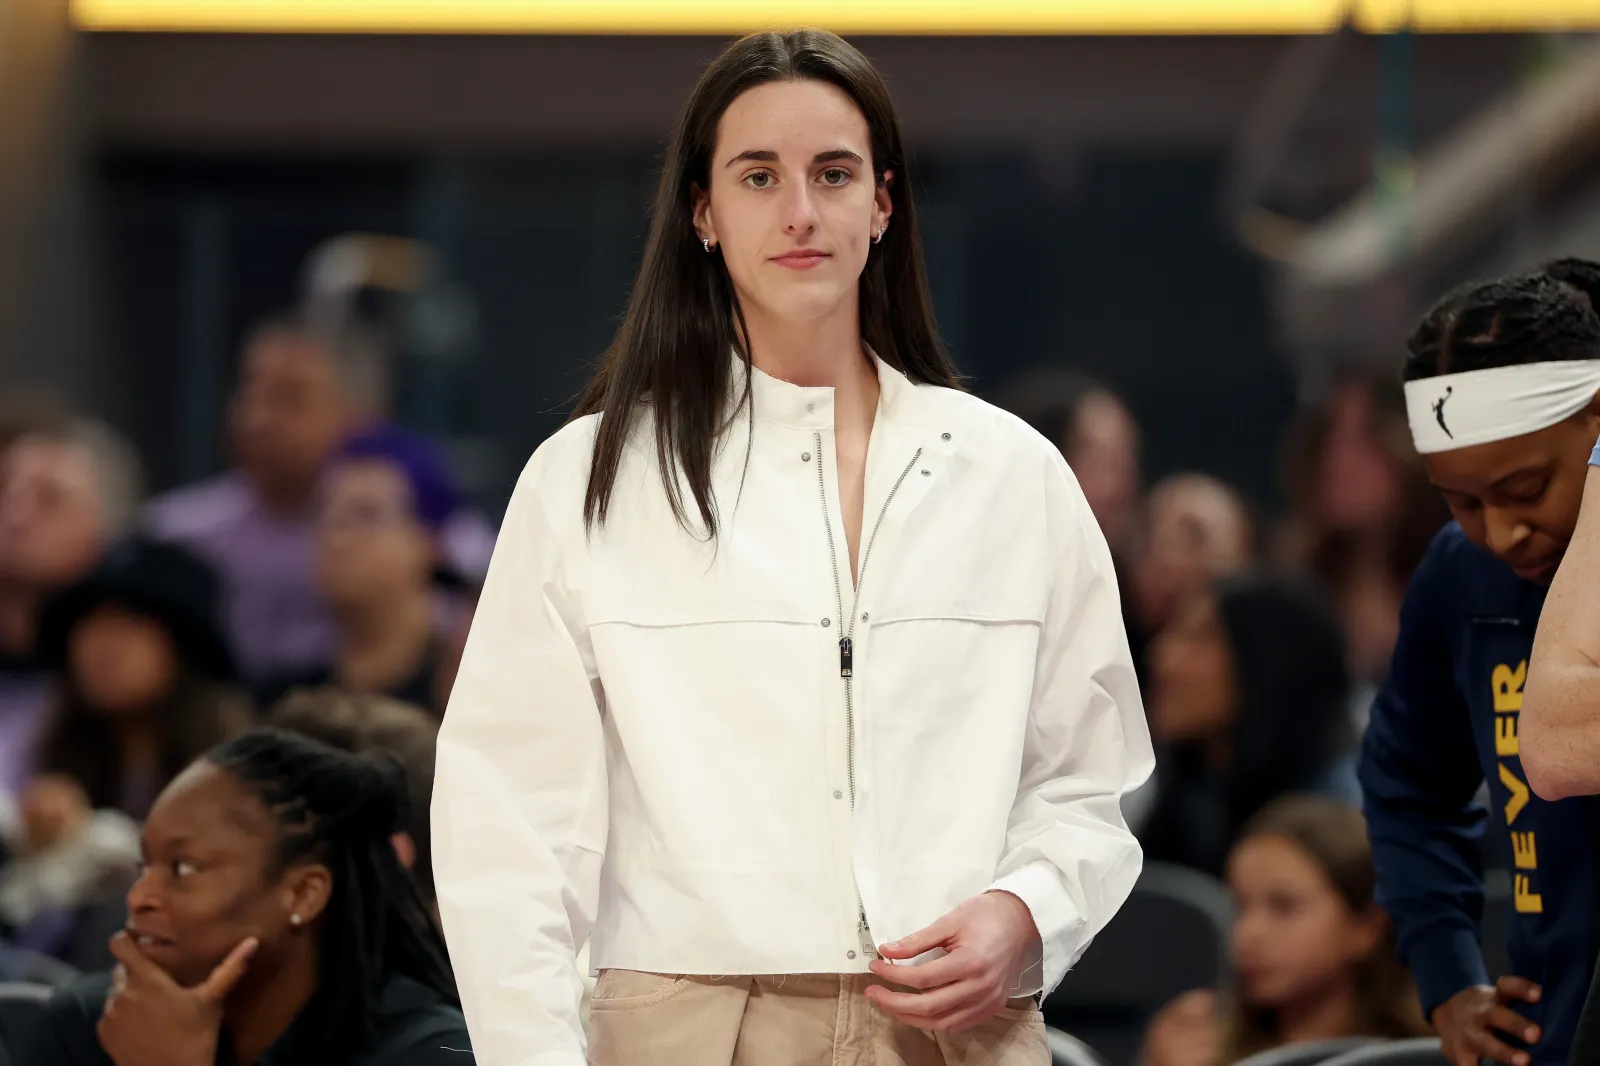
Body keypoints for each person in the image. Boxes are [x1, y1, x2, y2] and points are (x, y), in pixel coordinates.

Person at [432, 28, 1153, 1066]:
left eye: (833, 173)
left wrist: (1025, 910)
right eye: (758, 176)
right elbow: (507, 826)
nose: (801, 211)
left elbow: (1088, 778)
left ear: (884, 201)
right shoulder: (589, 478)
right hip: (680, 1023)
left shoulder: (1011, 475)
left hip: (952, 1024)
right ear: (703, 212)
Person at [1358, 259, 1600, 1066]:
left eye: (1527, 488)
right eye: (1462, 502)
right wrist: (1449, 979)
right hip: (1550, 1030)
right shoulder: (1461, 572)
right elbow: (1405, 784)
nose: (1501, 532)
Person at [25, 726, 470, 1065]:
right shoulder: (90, 1025)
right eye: (145, 867)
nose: (140, 896)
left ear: (302, 894)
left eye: (183, 868)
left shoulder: (429, 1052)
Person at [1141, 797, 1429, 1066]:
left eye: (1284, 907)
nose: (1247, 933)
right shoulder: (1199, 1046)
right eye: (1239, 907)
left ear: (1366, 927)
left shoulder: (1426, 1055)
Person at [1139, 573, 1357, 877]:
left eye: (1201, 639)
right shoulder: (1187, 802)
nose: (1162, 657)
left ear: (1266, 664)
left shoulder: (1337, 816)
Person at [30, 535, 251, 822]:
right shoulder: (48, 767)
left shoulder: (243, 783)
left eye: (129, 624)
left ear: (186, 648)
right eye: (89, 624)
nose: (103, 648)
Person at [255, 426, 469, 715]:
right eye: (324, 513)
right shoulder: (282, 702)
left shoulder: (463, 691)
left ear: (431, 541)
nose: (336, 537)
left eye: (366, 514)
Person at [0, 421, 143, 803]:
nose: (15, 515)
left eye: (48, 499)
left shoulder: (124, 676)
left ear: (103, 526)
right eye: (7, 493)